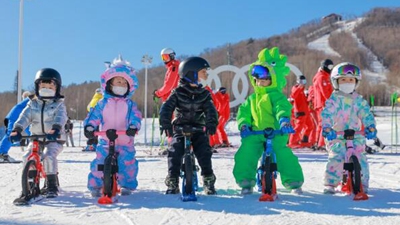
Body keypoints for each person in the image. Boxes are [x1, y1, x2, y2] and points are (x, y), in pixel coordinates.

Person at [233, 47, 304, 195]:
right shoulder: (252, 98)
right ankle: (246, 180)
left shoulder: (276, 96)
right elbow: (244, 112)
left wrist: (284, 121)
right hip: (255, 133)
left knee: (283, 155)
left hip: (276, 133)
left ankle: (293, 181)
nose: (259, 82)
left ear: (273, 79)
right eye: (257, 79)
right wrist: (244, 124)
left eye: (264, 79)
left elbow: (282, 108)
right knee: (246, 153)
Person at [83, 55, 142, 197]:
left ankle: (127, 185)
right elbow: (94, 115)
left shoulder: (129, 104)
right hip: (105, 140)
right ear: (109, 84)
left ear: (129, 87)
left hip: (124, 140)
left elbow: (136, 116)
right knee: (99, 163)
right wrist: (90, 127)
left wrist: (133, 127)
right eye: (118, 82)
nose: (120, 85)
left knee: (127, 163)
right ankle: (96, 186)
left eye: (124, 83)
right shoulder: (102, 103)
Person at [159, 56, 219, 195]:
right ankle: (173, 179)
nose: (206, 74)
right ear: (191, 73)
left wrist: (211, 123)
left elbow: (211, 110)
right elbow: (166, 108)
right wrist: (166, 123)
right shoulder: (177, 92)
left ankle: (208, 178)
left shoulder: (204, 94)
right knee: (174, 151)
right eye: (203, 71)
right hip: (180, 128)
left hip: (198, 128)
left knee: (204, 151)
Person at [10, 68, 68, 200]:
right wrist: (17, 129)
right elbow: (24, 117)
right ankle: (29, 184)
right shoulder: (32, 104)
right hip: (36, 138)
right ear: (37, 87)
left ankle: (51, 184)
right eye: (43, 86)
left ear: (57, 88)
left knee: (48, 155)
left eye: (50, 86)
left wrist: (56, 128)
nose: (46, 89)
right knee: (27, 156)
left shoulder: (59, 105)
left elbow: (61, 117)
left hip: (54, 138)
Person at [321, 62, 376, 194]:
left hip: (356, 135)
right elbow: (327, 114)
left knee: (361, 156)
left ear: (356, 82)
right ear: (336, 82)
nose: (347, 82)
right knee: (337, 156)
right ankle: (331, 183)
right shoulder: (333, 100)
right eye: (343, 80)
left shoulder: (358, 100)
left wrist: (370, 127)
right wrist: (327, 128)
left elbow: (366, 114)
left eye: (351, 80)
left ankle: (362, 183)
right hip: (337, 135)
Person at [154, 48, 180, 155]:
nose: (164, 60)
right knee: (170, 123)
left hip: (172, 100)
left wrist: (158, 93)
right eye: (163, 58)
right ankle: (173, 145)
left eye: (166, 57)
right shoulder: (172, 67)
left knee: (169, 123)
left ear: (172, 56)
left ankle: (173, 146)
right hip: (171, 98)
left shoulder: (174, 67)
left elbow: (169, 85)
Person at [0, 91, 32, 162]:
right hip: (16, 117)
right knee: (11, 134)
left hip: (22, 118)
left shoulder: (26, 102)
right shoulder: (32, 99)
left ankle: (36, 150)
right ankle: (1, 153)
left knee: (33, 133)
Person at [312, 59, 334, 150]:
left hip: (321, 103)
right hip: (323, 104)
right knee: (324, 123)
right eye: (329, 67)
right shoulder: (322, 77)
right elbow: (325, 92)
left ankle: (318, 142)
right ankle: (321, 143)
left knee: (321, 124)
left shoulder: (322, 76)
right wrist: (330, 102)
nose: (330, 69)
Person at [288, 75, 314, 148]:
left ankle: (304, 141)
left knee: (310, 126)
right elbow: (293, 95)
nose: (303, 83)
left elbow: (303, 101)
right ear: (298, 81)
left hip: (306, 112)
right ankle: (292, 142)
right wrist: (299, 87)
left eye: (304, 81)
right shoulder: (295, 88)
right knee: (298, 127)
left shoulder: (302, 90)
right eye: (302, 81)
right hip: (300, 112)